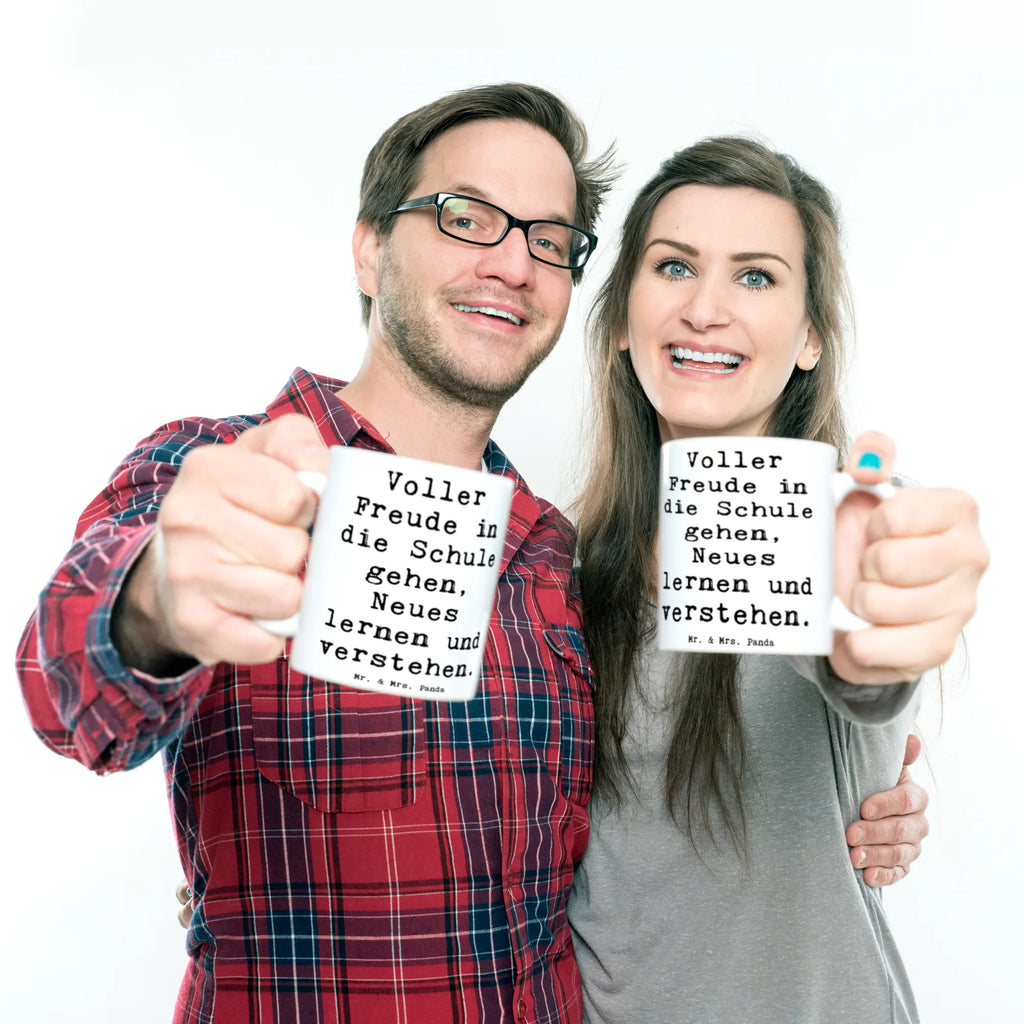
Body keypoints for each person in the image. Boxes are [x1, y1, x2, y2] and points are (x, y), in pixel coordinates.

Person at [18, 84, 938, 1024]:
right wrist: (156, 603)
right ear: (370, 248)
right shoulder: (220, 472)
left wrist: (874, 742)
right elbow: (66, 687)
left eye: (548, 238)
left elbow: (846, 666)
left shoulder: (552, 559)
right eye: (466, 217)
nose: (511, 263)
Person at [568, 136, 989, 1023]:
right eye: (674, 266)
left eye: (755, 277)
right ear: (620, 321)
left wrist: (881, 630)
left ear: (809, 339)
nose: (706, 309)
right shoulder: (564, 570)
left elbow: (863, 664)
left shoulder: (847, 528)